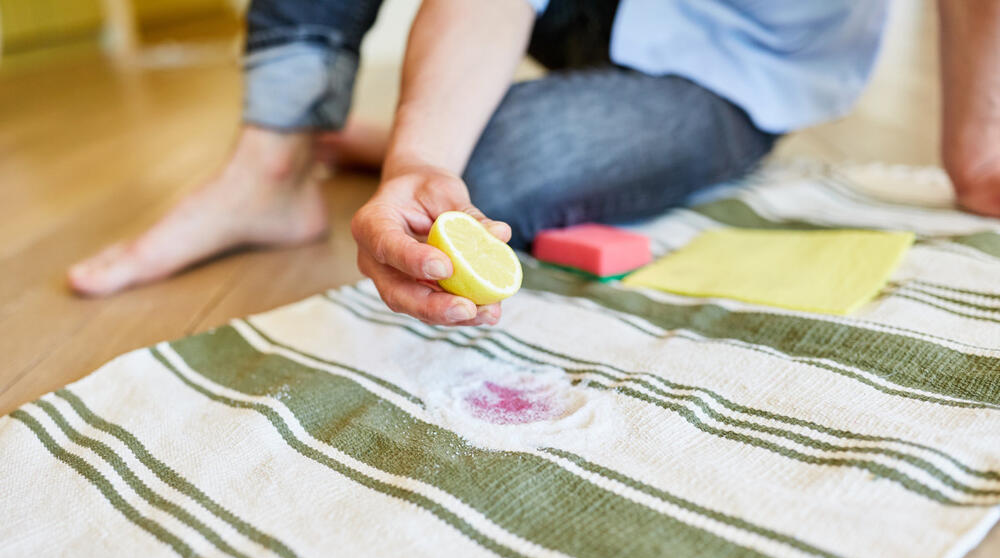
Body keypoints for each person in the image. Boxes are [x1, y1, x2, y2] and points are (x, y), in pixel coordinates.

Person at [68, 0, 1000, 327]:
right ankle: (267, 169)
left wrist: (974, 152)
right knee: (450, 171)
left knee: (505, 176)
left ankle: (374, 136)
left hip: (733, 66)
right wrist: (422, 159)